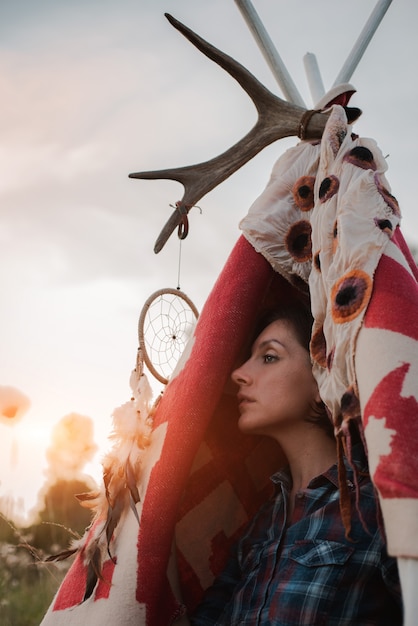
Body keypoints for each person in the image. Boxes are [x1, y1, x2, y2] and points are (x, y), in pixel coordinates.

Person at [190, 303, 403, 625]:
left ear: (323, 381)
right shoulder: (262, 522)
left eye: (269, 357)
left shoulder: (380, 506)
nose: (239, 373)